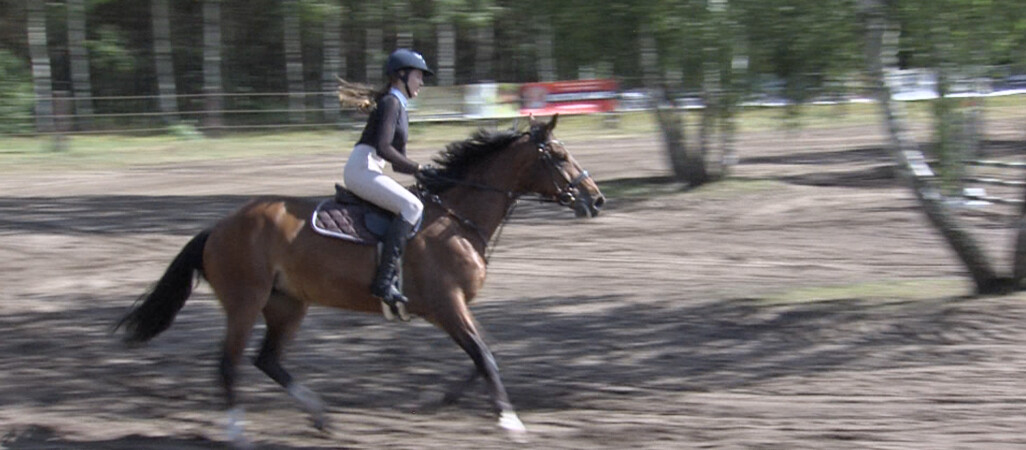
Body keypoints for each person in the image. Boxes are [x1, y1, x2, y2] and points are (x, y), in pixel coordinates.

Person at [340, 49, 440, 314]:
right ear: (401, 76)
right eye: (418, 76)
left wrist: (426, 173)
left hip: (370, 168)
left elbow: (397, 162)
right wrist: (419, 168)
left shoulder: (399, 106)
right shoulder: (391, 103)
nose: (421, 82)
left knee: (415, 201)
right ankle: (383, 282)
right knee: (412, 207)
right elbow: (384, 148)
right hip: (362, 169)